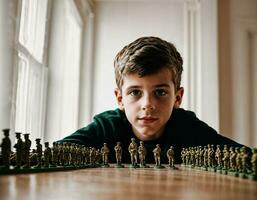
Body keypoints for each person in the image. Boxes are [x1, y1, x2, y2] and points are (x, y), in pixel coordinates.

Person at [57, 36, 245, 164]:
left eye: (160, 92)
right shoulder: (106, 128)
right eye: (135, 93)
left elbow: (242, 156)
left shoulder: (188, 128)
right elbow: (56, 153)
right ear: (120, 99)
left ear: (177, 98)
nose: (147, 104)